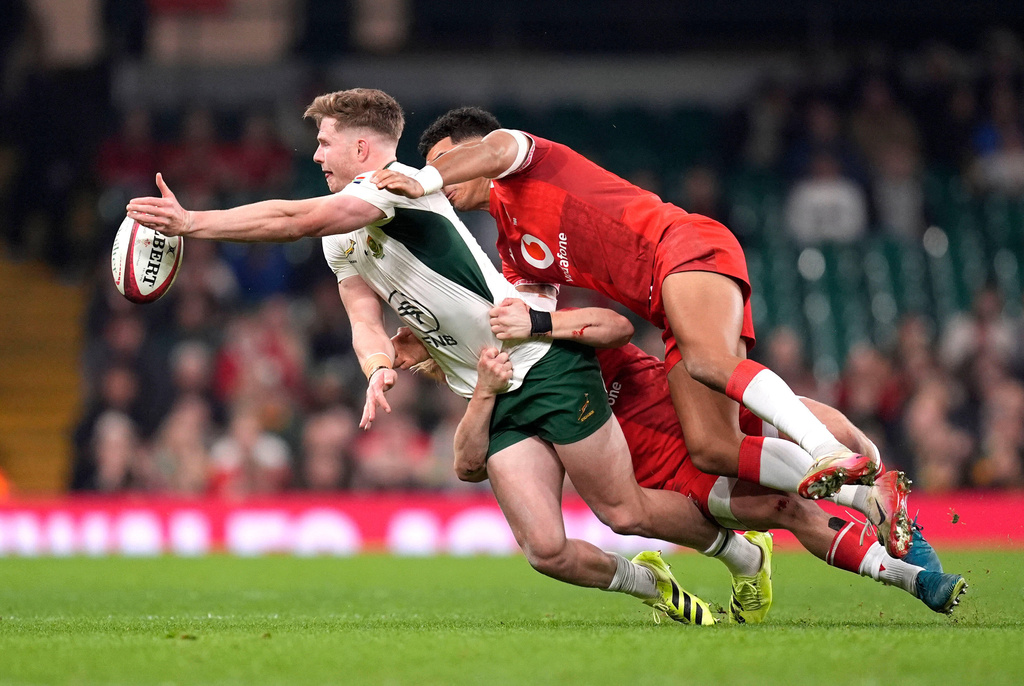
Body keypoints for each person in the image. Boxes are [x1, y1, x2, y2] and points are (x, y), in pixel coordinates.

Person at [126, 88, 769, 625]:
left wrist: (195, 224)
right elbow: (361, 318)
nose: (315, 153)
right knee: (546, 551)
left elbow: (295, 217)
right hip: (486, 388)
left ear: (361, 147)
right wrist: (378, 368)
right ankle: (654, 588)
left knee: (622, 511)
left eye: (324, 141)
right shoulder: (343, 239)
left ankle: (744, 558)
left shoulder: (389, 190)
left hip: (541, 363)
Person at [373, 107, 912, 558]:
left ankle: (831, 452)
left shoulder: (524, 160)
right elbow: (508, 324)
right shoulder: (512, 254)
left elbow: (493, 150)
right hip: (661, 301)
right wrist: (425, 334)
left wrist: (424, 177)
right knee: (713, 448)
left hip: (679, 245)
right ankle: (873, 493)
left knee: (707, 363)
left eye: (444, 162)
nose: (439, 179)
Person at [391, 307, 968, 616]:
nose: (401, 350)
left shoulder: (521, 324)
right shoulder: (483, 390)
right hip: (658, 465)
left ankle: (888, 509)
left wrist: (543, 324)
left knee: (817, 425)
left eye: (406, 337)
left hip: (683, 403)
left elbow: (615, 325)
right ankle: (916, 578)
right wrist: (486, 396)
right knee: (787, 508)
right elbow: (467, 463)